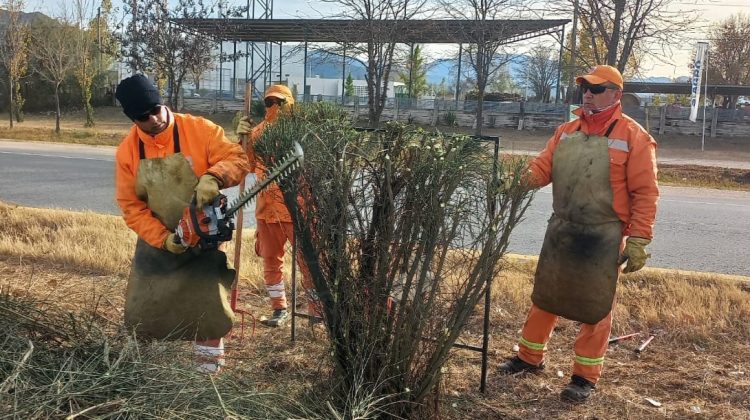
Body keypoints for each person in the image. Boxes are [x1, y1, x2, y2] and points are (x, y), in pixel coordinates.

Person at [497, 65, 659, 403]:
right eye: (585, 87)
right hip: (563, 229)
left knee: (595, 309)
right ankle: (528, 358)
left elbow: (646, 192)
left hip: (603, 236)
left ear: (617, 94)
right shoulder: (566, 132)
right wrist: (513, 181)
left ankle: (584, 378)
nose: (588, 93)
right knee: (545, 297)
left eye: (597, 89)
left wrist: (640, 238)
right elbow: (541, 168)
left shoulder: (634, 137)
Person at [114, 74, 251, 373]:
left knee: (208, 308)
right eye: (143, 117)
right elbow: (131, 206)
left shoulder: (200, 130)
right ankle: (144, 372)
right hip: (158, 239)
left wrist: (215, 175)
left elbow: (238, 160)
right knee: (142, 309)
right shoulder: (128, 152)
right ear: (132, 119)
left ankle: (207, 375)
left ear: (163, 102)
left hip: (204, 240)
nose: (153, 119)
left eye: (155, 109)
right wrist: (163, 239)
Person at [236, 84, 317, 327]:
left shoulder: (302, 132)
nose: (275, 107)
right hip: (267, 211)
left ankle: (316, 310)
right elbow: (246, 165)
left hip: (297, 212)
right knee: (271, 261)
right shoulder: (258, 132)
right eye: (270, 102)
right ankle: (279, 308)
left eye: (280, 102)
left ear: (291, 103)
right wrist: (243, 139)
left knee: (309, 264)